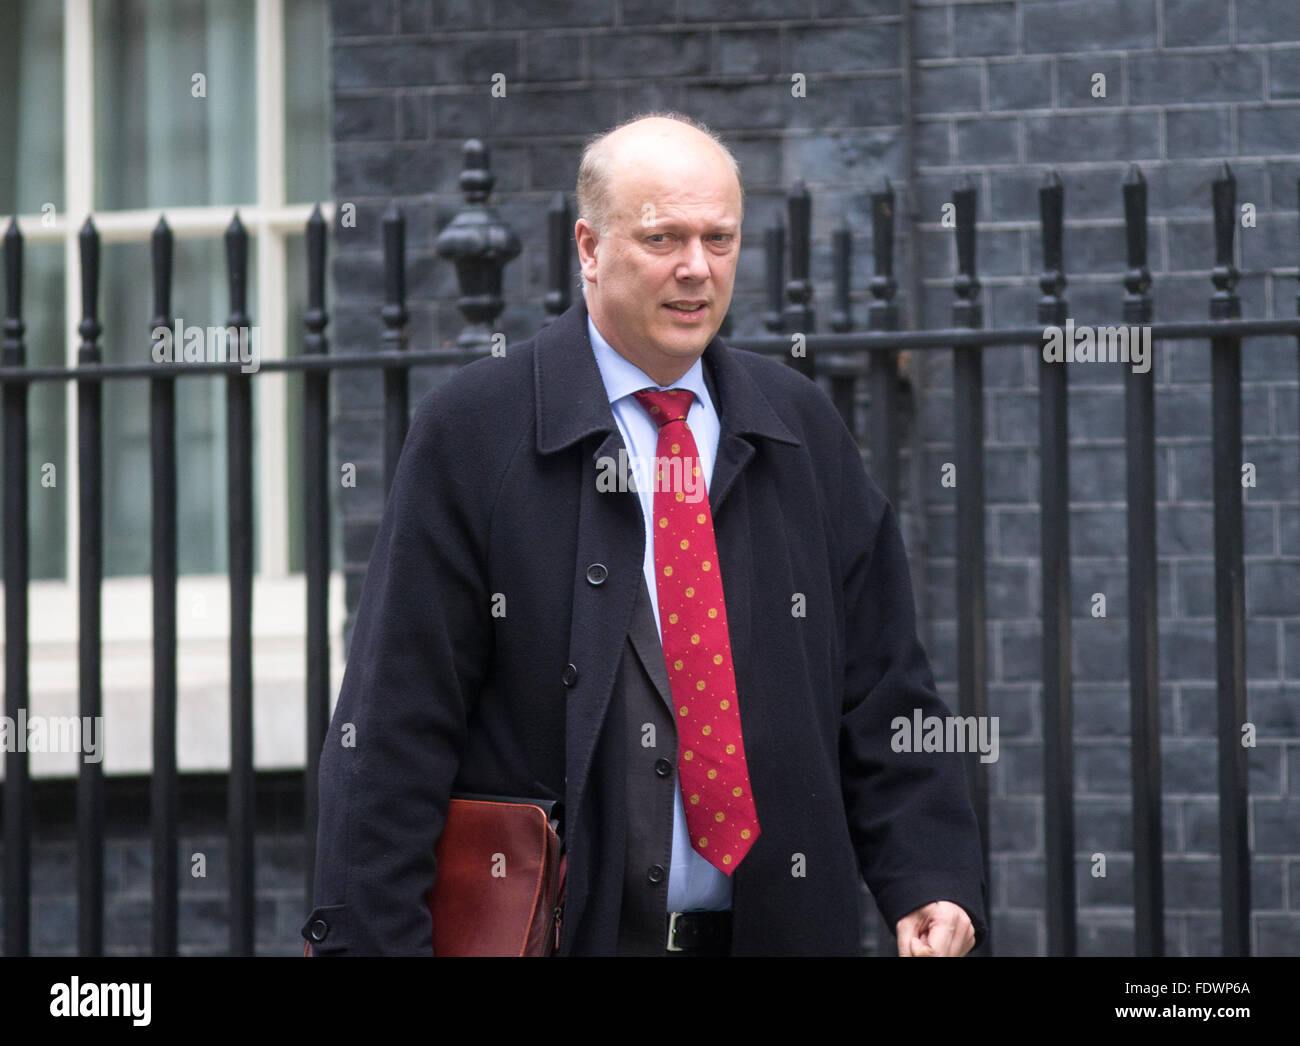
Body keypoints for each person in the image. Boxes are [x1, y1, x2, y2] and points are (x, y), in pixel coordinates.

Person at [303, 112, 987, 957]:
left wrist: (928, 875)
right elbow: (393, 732)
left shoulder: (799, 426)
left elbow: (884, 690)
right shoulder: (475, 433)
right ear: (588, 249)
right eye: (663, 237)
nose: (696, 268)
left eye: (720, 238)